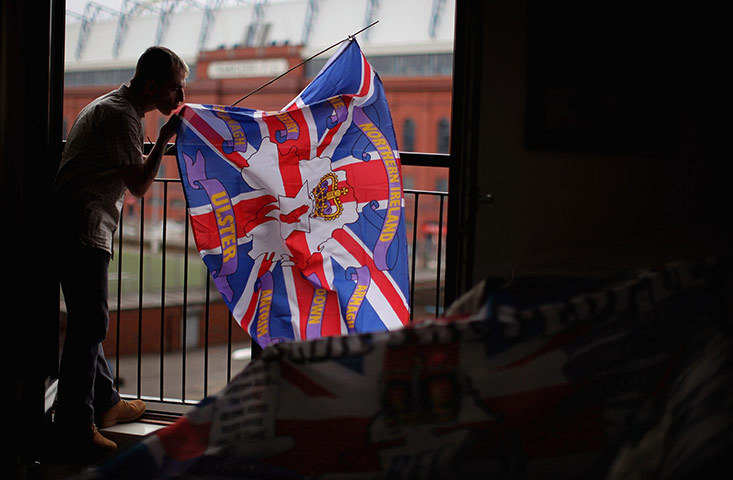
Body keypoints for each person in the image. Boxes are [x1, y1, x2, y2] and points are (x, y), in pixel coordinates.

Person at [51, 45, 187, 461]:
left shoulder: (115, 108)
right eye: (175, 89)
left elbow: (128, 165)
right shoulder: (120, 116)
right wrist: (165, 137)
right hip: (82, 228)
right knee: (90, 325)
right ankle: (74, 427)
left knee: (88, 321)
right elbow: (141, 185)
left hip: (78, 225)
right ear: (152, 87)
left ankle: (106, 402)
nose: (179, 99)